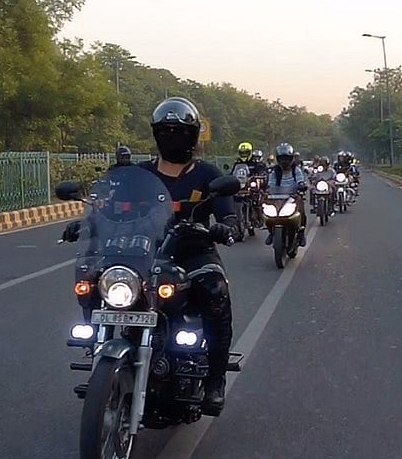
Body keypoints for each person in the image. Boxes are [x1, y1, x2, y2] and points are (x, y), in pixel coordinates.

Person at [64, 96, 237, 415]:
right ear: (156, 134)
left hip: (192, 254)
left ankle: (215, 379)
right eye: (166, 130)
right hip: (141, 255)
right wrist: (85, 221)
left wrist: (227, 226)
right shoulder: (135, 175)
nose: (173, 136)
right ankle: (98, 348)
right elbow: (108, 209)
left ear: (193, 135)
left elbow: (228, 215)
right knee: (91, 278)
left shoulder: (207, 174)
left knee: (216, 292)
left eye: (180, 131)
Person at [266, 142, 308, 247]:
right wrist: (266, 190)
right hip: (277, 197)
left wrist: (301, 185)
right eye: (282, 158)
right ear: (278, 159)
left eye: (287, 158)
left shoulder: (296, 170)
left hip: (293, 197)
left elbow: (300, 181)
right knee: (267, 213)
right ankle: (271, 232)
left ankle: (301, 233)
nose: (284, 161)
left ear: (291, 158)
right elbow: (270, 185)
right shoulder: (274, 172)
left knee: (301, 211)